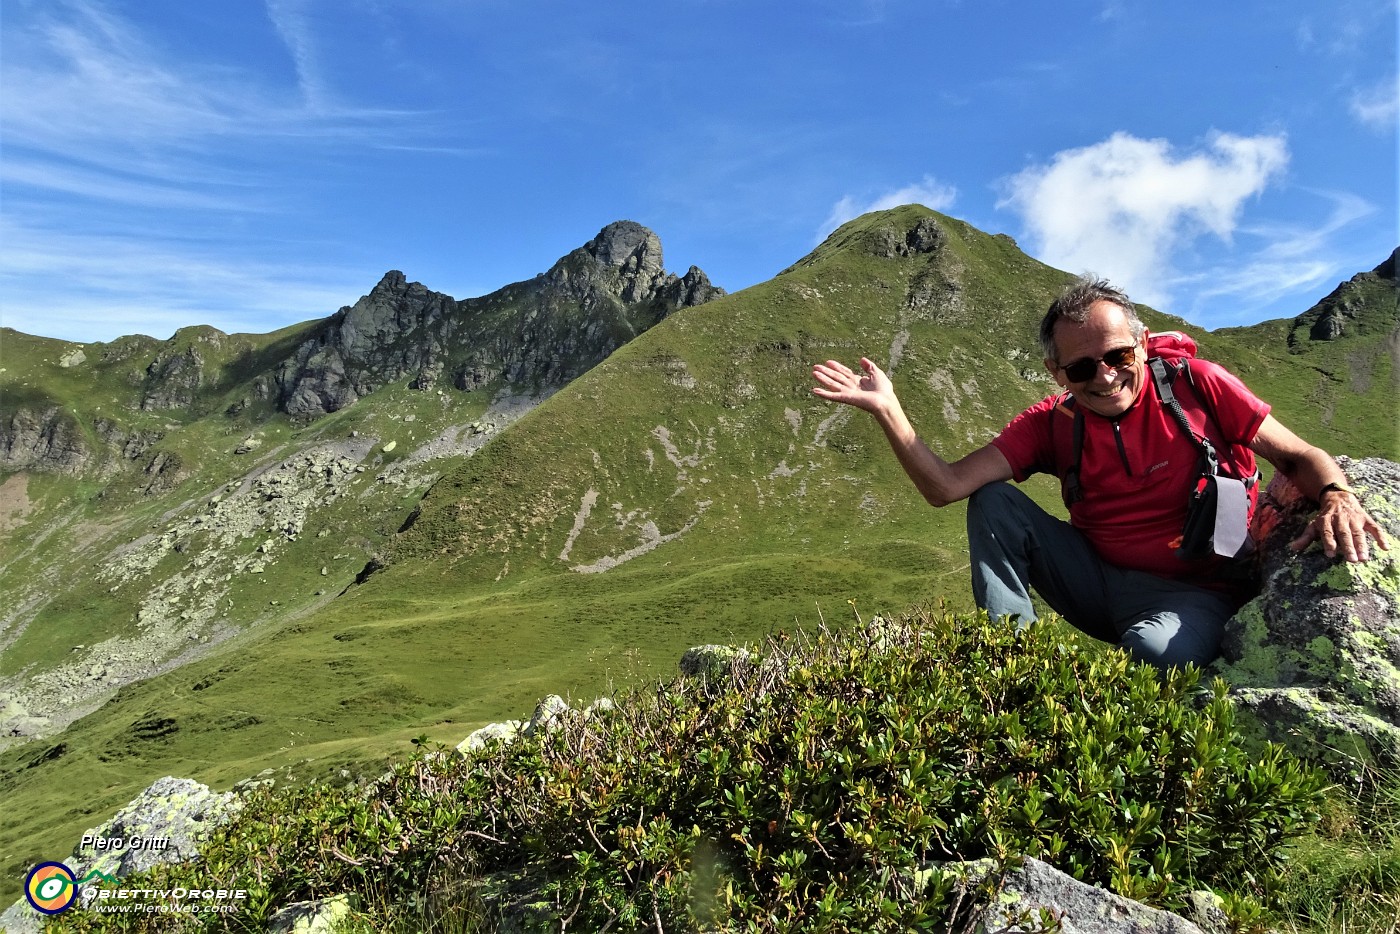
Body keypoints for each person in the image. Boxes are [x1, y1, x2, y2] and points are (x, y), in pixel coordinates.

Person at [811, 276, 1389, 669]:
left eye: (1118, 357)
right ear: (1057, 371)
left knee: (1155, 652)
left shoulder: (1196, 384)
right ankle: (1010, 668)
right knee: (992, 502)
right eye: (1083, 366)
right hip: (1097, 580)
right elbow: (947, 488)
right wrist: (889, 410)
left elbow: (1298, 456)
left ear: (1141, 344)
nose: (1106, 376)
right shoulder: (1050, 424)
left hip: (1198, 591)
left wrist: (1337, 495)